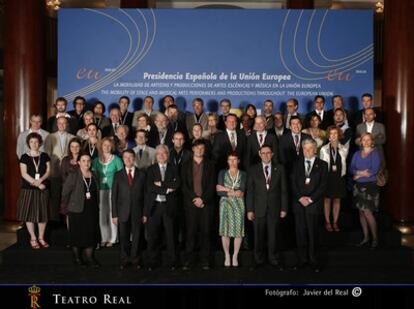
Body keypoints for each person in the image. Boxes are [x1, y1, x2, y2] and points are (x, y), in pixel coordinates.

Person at [246, 145, 288, 270]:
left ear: (272, 154)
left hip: (275, 208)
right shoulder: (253, 169)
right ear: (259, 154)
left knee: (274, 236)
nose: (265, 155)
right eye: (263, 153)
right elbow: (250, 192)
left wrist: (284, 208)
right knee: (258, 236)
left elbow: (284, 190)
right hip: (258, 208)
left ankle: (274, 259)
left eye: (268, 153)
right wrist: (249, 210)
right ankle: (258, 260)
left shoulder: (279, 169)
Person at [290, 139, 328, 272]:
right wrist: (300, 198)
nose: (307, 151)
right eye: (304, 149)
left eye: (310, 148)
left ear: (315, 149)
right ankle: (302, 260)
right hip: (299, 204)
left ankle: (313, 261)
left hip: (313, 204)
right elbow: (292, 183)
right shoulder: (296, 164)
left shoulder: (322, 165)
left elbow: (323, 186)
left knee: (313, 234)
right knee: (300, 234)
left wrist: (310, 199)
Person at [144, 145, 180, 270]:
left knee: (171, 236)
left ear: (168, 155)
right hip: (154, 207)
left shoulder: (173, 168)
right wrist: (167, 189)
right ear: (156, 156)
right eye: (159, 153)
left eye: (164, 153)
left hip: (169, 206)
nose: (161, 155)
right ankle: (152, 262)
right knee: (153, 236)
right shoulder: (150, 169)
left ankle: (173, 262)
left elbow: (177, 184)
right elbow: (150, 187)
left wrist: (162, 184)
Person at [181, 139, 216, 270]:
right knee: (190, 233)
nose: (200, 150)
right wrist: (195, 199)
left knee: (206, 233)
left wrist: (203, 200)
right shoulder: (185, 165)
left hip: (206, 204)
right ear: (193, 149)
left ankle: (205, 261)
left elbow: (212, 185)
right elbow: (184, 186)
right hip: (191, 204)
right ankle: (188, 261)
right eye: (197, 148)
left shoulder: (211, 165)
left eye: (202, 148)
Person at [62, 152, 100, 267]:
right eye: (83, 160)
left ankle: (89, 258)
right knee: (77, 234)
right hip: (76, 210)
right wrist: (71, 206)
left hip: (92, 209)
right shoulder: (73, 175)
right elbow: (65, 193)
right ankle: (77, 259)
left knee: (90, 234)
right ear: (78, 162)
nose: (86, 163)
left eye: (88, 161)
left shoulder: (95, 174)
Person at [111, 149, 146, 270]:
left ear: (134, 158)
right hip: (122, 212)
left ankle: (135, 259)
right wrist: (114, 214)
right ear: (123, 159)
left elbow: (146, 195)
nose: (128, 159)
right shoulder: (118, 174)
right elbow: (114, 196)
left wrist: (145, 213)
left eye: (130, 157)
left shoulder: (142, 174)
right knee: (123, 237)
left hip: (138, 211)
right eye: (125, 157)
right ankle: (124, 259)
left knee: (137, 236)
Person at [17, 132, 51, 250]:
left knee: (43, 215)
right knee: (29, 215)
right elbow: (24, 174)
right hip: (28, 189)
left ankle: (41, 237)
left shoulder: (45, 156)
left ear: (40, 143)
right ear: (28, 143)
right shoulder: (24, 157)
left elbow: (48, 171)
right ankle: (33, 238)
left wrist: (41, 180)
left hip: (43, 188)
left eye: (36, 142)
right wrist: (37, 184)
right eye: (31, 142)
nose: (34, 144)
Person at [350, 133, 381, 249]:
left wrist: (359, 174)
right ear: (361, 142)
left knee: (368, 212)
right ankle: (366, 238)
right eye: (364, 140)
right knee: (361, 213)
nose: (366, 142)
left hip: (370, 186)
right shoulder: (357, 154)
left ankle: (375, 239)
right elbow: (351, 169)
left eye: (368, 140)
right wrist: (360, 173)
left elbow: (373, 170)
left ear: (372, 141)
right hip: (358, 186)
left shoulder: (375, 153)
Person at [216, 153, 247, 268]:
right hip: (225, 204)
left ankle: (235, 255)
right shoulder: (222, 173)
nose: (232, 162)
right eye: (230, 160)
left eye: (234, 160)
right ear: (227, 161)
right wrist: (233, 191)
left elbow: (242, 191)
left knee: (238, 230)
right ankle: (227, 255)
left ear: (238, 161)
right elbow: (218, 192)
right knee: (225, 230)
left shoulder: (243, 174)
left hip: (239, 204)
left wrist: (226, 189)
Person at [92, 137, 124, 247]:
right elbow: (93, 176)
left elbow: (121, 177)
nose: (106, 147)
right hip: (100, 191)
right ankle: (104, 238)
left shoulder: (117, 160)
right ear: (101, 146)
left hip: (113, 191)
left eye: (109, 145)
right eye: (104, 145)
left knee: (112, 214)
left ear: (112, 147)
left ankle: (113, 238)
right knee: (101, 215)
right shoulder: (96, 161)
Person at [44, 116, 75, 221]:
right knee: (55, 197)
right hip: (55, 170)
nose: (62, 125)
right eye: (60, 123)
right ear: (57, 125)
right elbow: (47, 154)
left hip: (68, 171)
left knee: (67, 196)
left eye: (64, 123)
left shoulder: (72, 137)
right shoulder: (50, 137)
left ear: (67, 125)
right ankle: (55, 220)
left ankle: (67, 220)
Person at [319, 126, 349, 232]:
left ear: (339, 135)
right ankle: (327, 222)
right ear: (328, 136)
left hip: (339, 177)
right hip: (328, 178)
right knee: (327, 200)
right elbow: (322, 166)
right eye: (331, 134)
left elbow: (344, 164)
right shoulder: (323, 149)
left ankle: (335, 222)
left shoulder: (344, 149)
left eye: (335, 133)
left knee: (337, 200)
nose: (333, 136)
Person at [169, 131, 192, 248]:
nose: (179, 141)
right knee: (171, 219)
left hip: (185, 191)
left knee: (185, 219)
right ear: (172, 140)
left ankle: (184, 242)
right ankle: (172, 243)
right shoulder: (167, 153)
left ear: (184, 141)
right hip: (171, 191)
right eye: (176, 139)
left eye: (181, 139)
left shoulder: (189, 154)